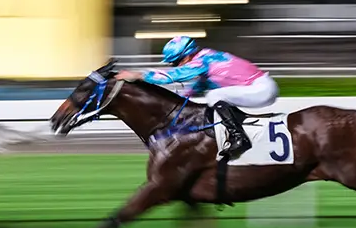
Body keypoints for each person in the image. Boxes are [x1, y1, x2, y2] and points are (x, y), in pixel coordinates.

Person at [116, 36, 279, 158]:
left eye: (176, 62)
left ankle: (239, 138)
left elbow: (174, 76)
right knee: (215, 96)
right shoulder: (206, 58)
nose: (175, 65)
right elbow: (196, 87)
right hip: (259, 87)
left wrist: (138, 75)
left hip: (261, 89)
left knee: (215, 95)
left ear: (186, 55)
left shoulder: (202, 61)